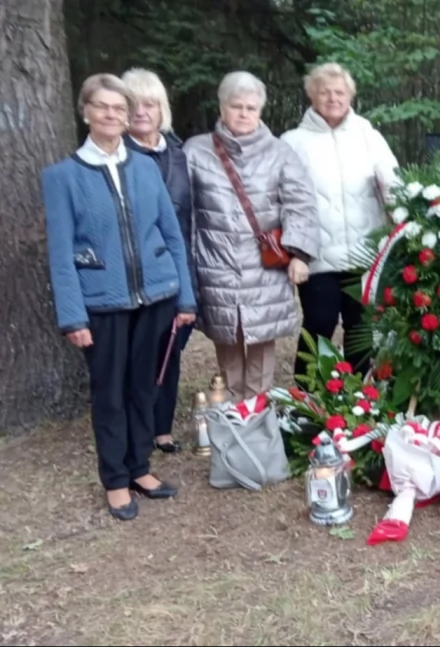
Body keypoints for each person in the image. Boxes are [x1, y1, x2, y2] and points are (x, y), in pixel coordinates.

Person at [42, 74, 196, 520]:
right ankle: (114, 479)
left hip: (157, 298)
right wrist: (73, 316)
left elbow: (171, 233)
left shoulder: (146, 167)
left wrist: (185, 298)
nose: (112, 115)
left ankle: (140, 468)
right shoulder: (62, 177)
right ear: (85, 111)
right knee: (109, 393)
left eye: (119, 109)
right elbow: (60, 253)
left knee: (144, 387)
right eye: (103, 107)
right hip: (102, 303)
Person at [184, 71, 320, 401]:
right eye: (236, 106)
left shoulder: (280, 152)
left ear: (260, 110)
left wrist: (300, 254)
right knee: (227, 345)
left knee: (261, 346)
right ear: (222, 108)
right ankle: (232, 416)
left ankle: (257, 415)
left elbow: (300, 203)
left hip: (265, 265)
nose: (244, 113)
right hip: (217, 266)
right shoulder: (196, 151)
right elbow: (182, 211)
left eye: (251, 107)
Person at [281, 62, 400, 379]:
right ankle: (307, 400)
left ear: (350, 96)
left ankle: (361, 399)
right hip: (317, 257)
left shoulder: (368, 136)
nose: (333, 98)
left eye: (340, 92)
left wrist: (404, 228)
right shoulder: (292, 142)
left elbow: (393, 184)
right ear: (312, 96)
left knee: (361, 329)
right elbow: (284, 201)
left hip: (365, 254)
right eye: (325, 92)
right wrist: (295, 252)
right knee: (318, 325)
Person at [121, 68, 193, 454]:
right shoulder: (117, 157)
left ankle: (162, 427)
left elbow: (190, 218)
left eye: (148, 103)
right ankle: (140, 427)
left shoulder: (179, 154)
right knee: (140, 353)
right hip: (137, 273)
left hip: (178, 268)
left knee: (172, 346)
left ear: (161, 108)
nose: (141, 111)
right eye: (132, 104)